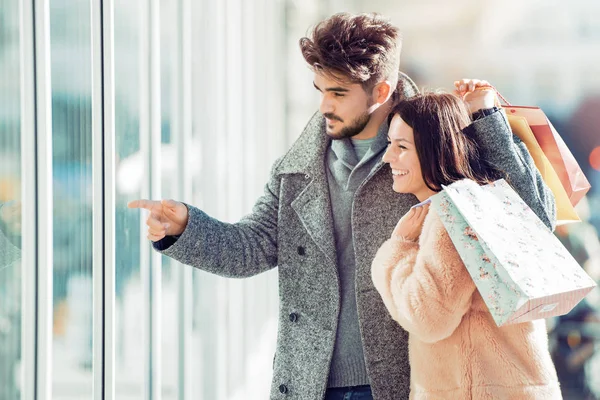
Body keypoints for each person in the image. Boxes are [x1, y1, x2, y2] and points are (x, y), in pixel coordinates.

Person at [128, 12, 556, 400]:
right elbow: (253, 247)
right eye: (319, 90)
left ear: (382, 90)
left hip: (405, 381)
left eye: (337, 92)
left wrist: (487, 122)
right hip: (310, 382)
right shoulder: (299, 168)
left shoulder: (429, 145)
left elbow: (534, 223)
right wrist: (186, 228)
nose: (324, 105)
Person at [371, 92, 561, 399]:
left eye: (401, 147)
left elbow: (428, 318)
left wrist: (396, 251)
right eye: (390, 144)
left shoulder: (453, 215)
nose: (387, 157)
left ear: (436, 150)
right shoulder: (488, 201)